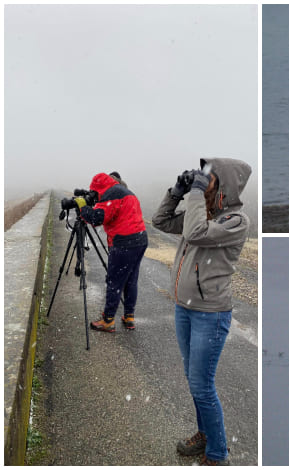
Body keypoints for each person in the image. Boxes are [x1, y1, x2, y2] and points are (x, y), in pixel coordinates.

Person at [152, 157, 252, 466]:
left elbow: (195, 233)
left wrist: (195, 193)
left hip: (210, 313)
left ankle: (217, 454)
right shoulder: (203, 214)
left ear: (224, 185)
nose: (203, 182)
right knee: (193, 379)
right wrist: (177, 190)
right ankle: (204, 434)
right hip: (185, 308)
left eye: (209, 178)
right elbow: (160, 221)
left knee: (201, 384)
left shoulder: (235, 221)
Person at [76, 172, 148, 332]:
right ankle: (129, 316)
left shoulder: (110, 195)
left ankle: (108, 320)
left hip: (124, 242)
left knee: (114, 280)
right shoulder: (124, 191)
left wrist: (83, 207)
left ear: (98, 187)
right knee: (131, 278)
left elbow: (96, 218)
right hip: (141, 239)